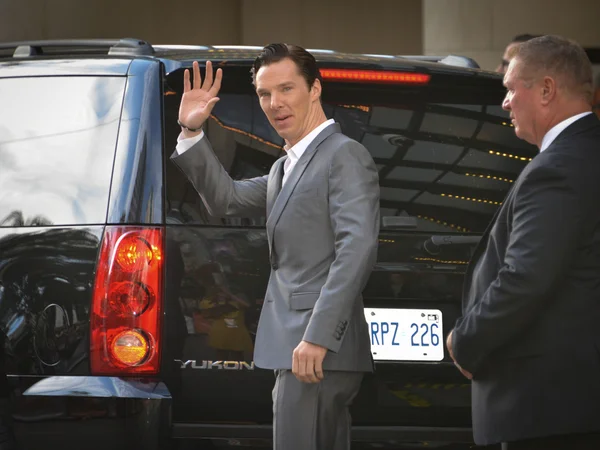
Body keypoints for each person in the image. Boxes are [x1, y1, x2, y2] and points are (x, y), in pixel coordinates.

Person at [171, 43, 380, 450]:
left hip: (314, 348)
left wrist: (318, 337)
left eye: (286, 89)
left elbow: (357, 248)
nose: (274, 103)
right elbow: (226, 199)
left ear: (315, 89)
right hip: (298, 347)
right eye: (265, 94)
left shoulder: (343, 155)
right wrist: (192, 131)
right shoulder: (285, 166)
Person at [447, 35, 600, 449]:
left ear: (547, 90)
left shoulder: (560, 167)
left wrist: (465, 342)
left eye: (512, 88)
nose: (506, 102)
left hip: (547, 410)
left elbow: (526, 276)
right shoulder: (582, 154)